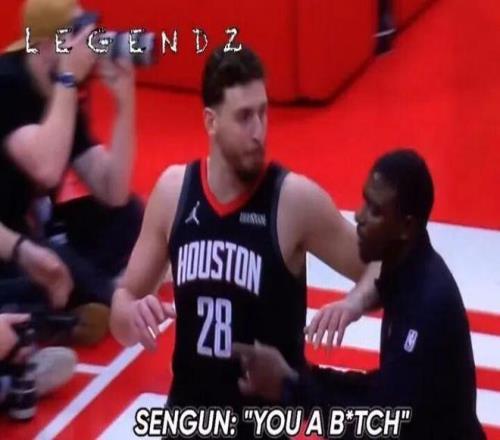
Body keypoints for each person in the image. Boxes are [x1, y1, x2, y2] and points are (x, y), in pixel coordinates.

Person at [110, 46, 379, 438]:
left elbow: (386, 265)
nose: (259, 131)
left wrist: (353, 303)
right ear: (211, 121)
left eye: (263, 113)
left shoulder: (293, 201)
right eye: (244, 117)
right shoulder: (173, 193)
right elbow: (122, 307)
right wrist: (130, 314)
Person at [232, 149, 486, 439]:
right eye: (365, 201)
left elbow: (382, 423)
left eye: (376, 211)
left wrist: (292, 388)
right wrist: (301, 377)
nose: (358, 216)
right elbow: (384, 390)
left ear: (406, 226)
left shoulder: (426, 304)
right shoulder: (407, 273)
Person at [0, 0, 142, 342]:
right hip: (7, 239)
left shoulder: (61, 88)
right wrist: (67, 81)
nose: (87, 47)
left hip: (32, 227)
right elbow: (46, 169)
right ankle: (84, 301)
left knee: (130, 215)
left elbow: (113, 191)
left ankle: (74, 301)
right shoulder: (7, 85)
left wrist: (125, 103)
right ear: (45, 45)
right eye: (75, 36)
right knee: (52, 263)